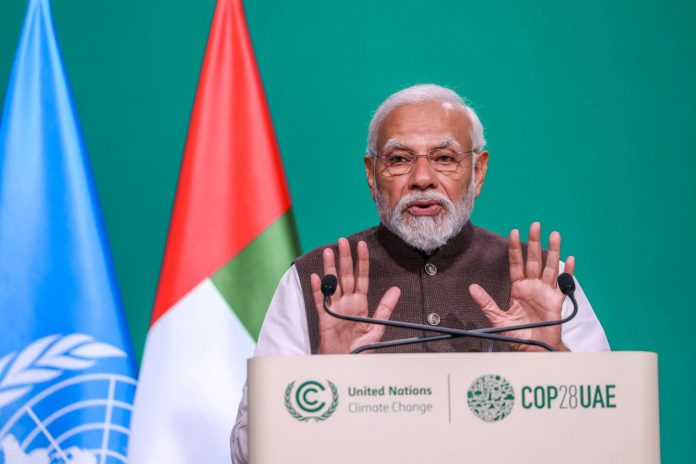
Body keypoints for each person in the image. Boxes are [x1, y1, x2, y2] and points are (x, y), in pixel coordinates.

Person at [229, 84, 609, 463]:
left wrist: (555, 363)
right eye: (399, 159)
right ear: (371, 175)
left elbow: (611, 437)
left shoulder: (542, 280)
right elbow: (247, 453)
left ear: (478, 172)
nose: (422, 178)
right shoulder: (317, 282)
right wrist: (324, 379)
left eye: (444, 158)